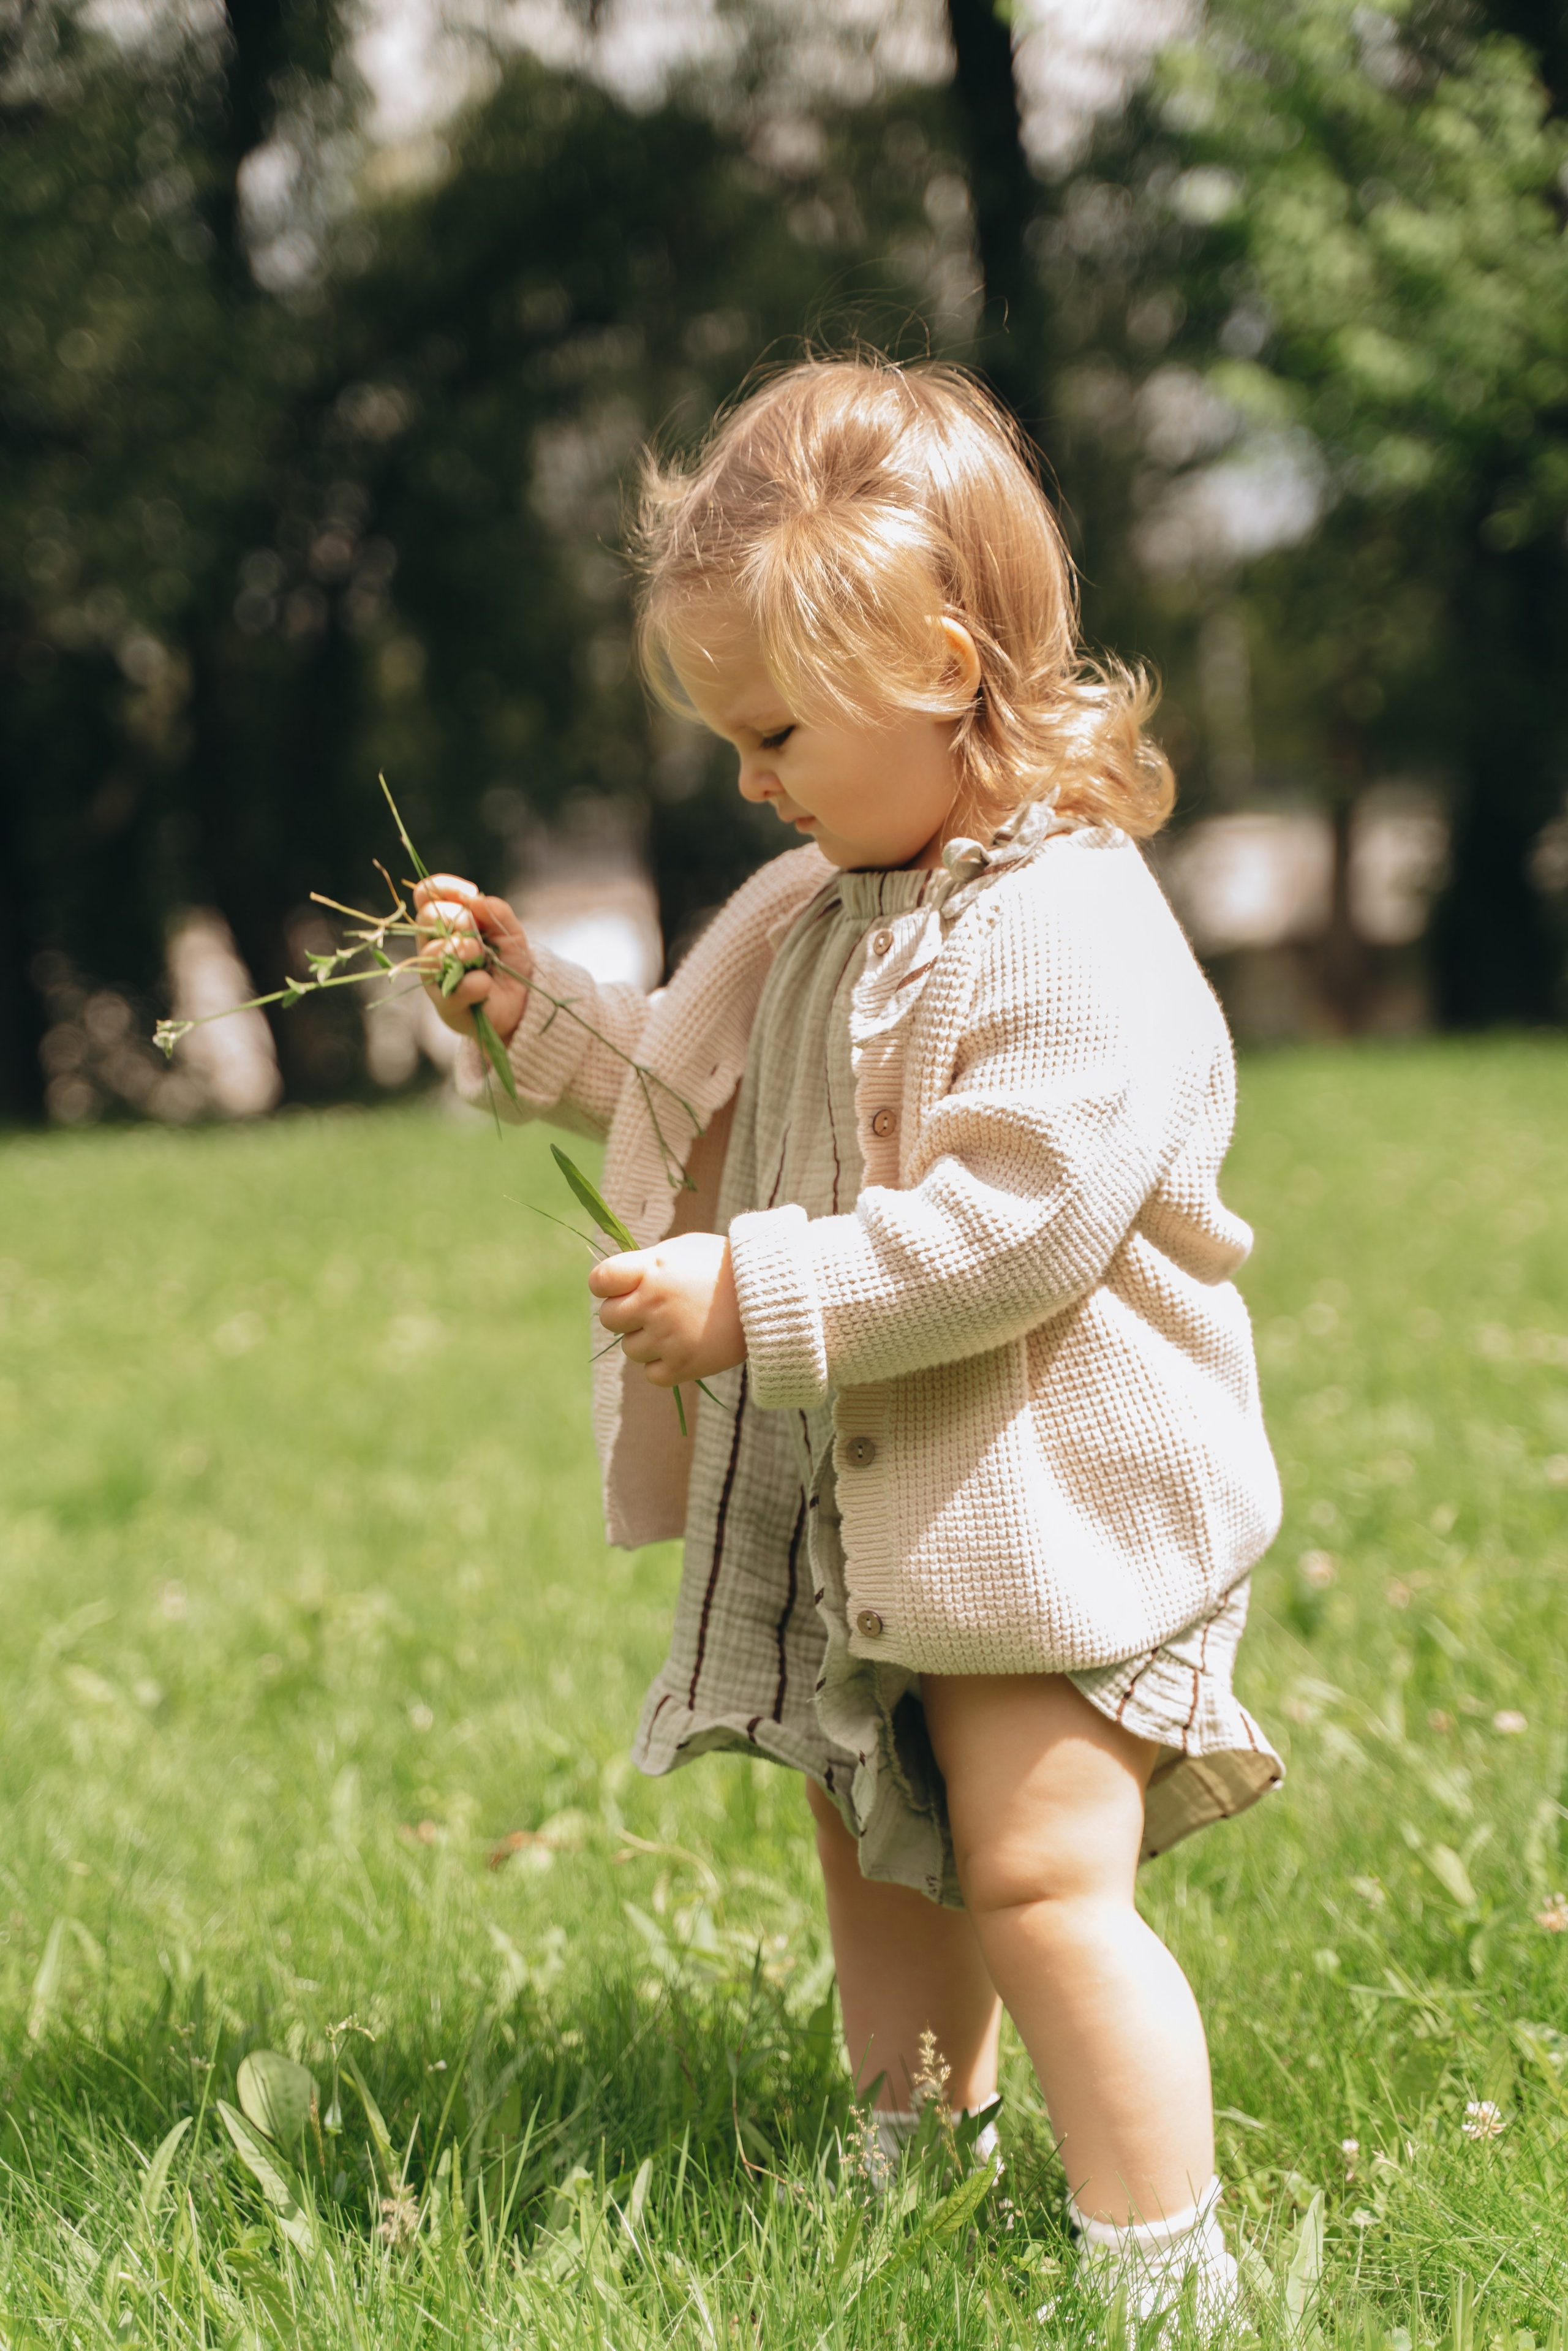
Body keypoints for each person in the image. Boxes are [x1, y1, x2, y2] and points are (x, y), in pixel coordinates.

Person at [417, 357, 1282, 2330]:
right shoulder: (814, 903)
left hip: (1040, 1513)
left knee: (1043, 1873)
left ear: (944, 661)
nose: (749, 779)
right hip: (866, 1503)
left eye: (776, 730)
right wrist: (530, 1012)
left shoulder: (1072, 931)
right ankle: (912, 2148)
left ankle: (1165, 2260)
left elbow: (1017, 1221)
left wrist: (757, 1297)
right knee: (876, 1839)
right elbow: (689, 1084)